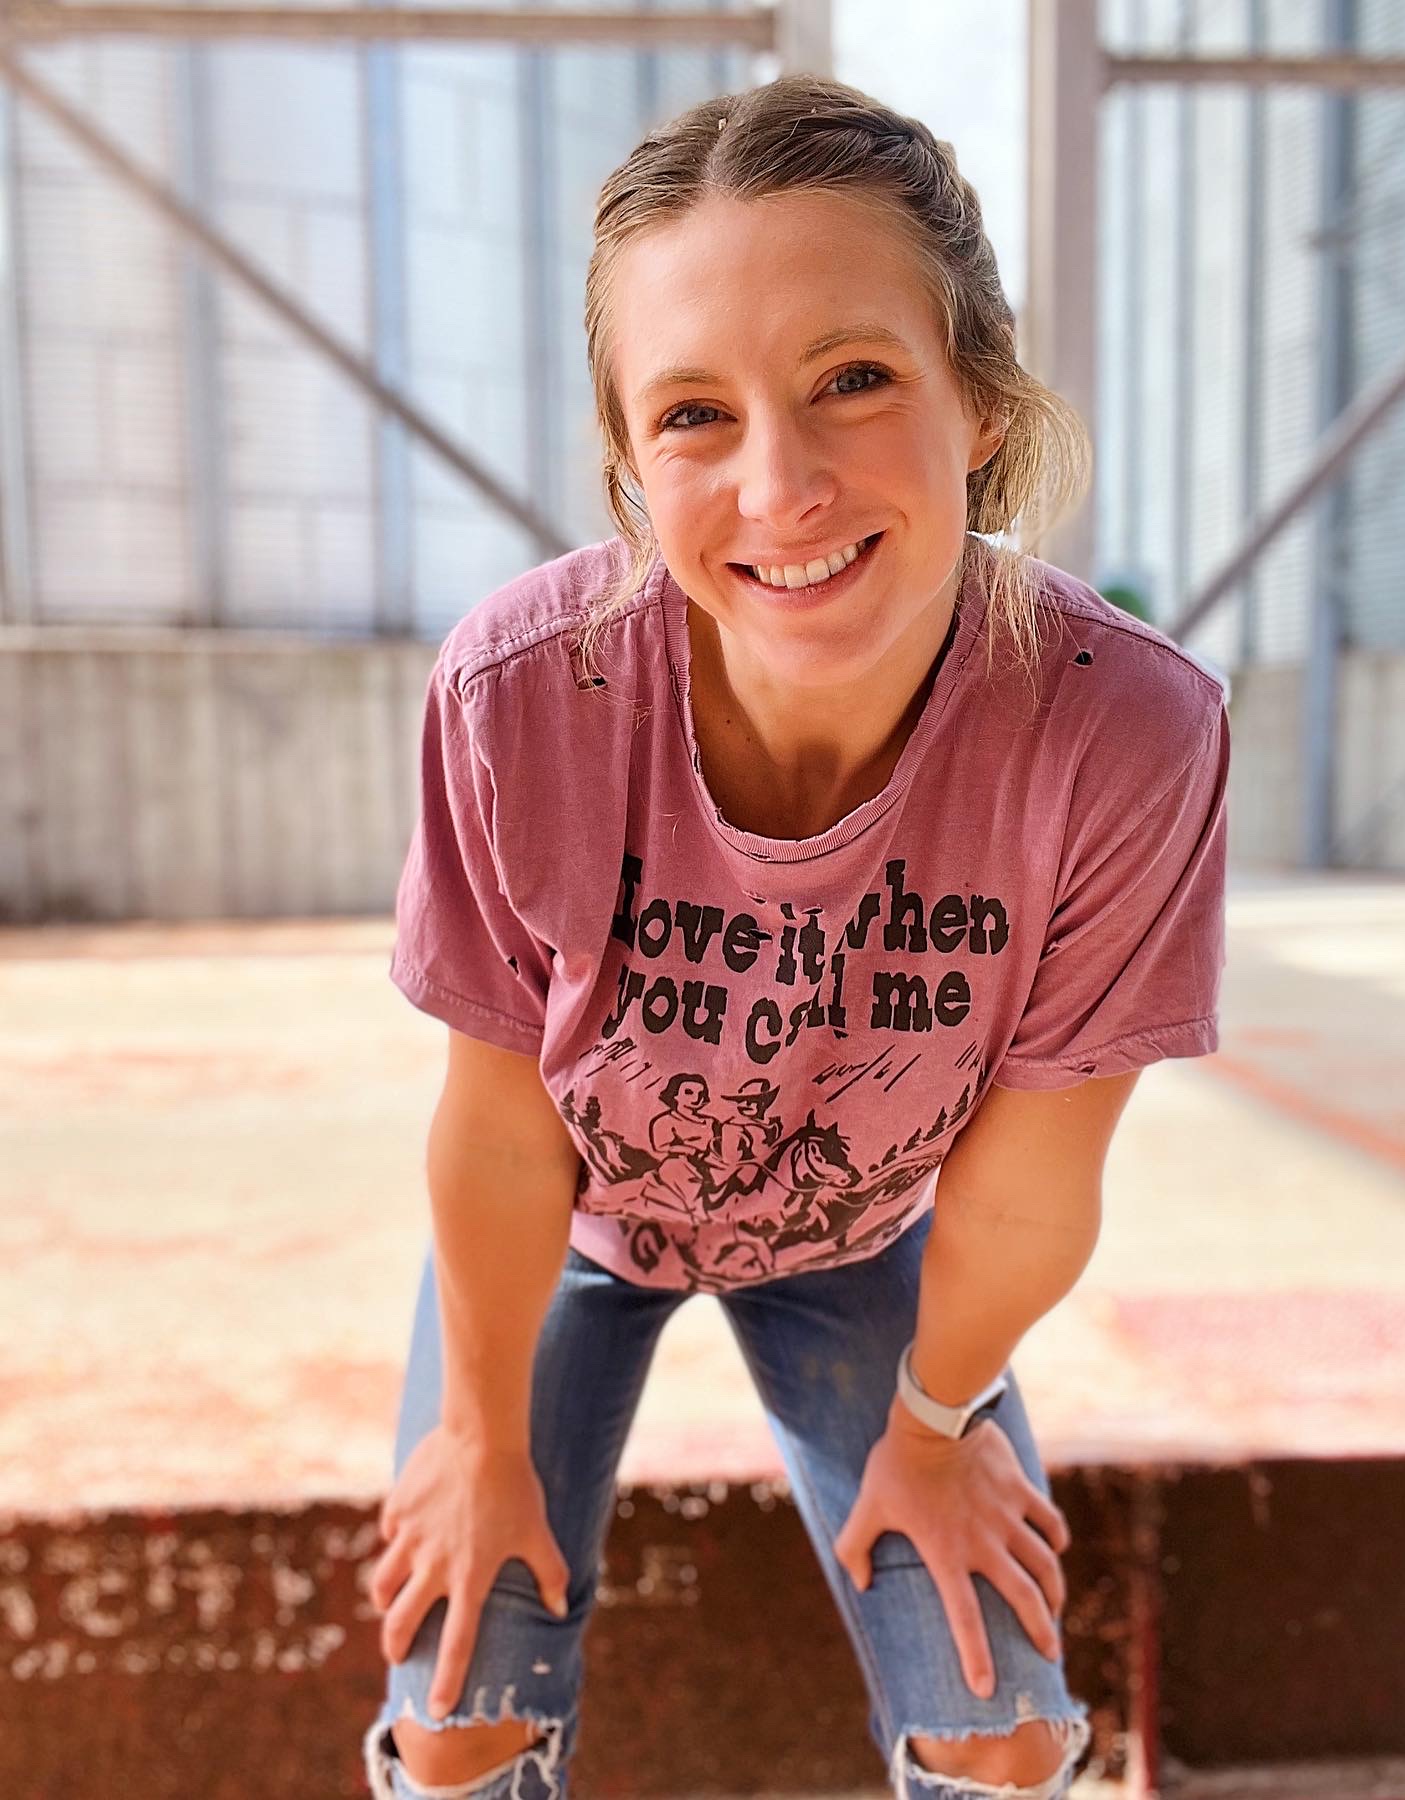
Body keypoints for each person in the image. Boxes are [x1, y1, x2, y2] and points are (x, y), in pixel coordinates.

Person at [361, 72, 1229, 1800]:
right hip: (582, 1220)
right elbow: (500, 1121)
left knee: (996, 1719)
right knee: (459, 1701)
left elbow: (1034, 1182)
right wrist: (475, 1436)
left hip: (870, 1233)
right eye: (694, 415)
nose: (781, 486)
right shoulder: (523, 694)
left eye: (851, 379)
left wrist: (933, 1427)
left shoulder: (1120, 731)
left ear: (975, 397)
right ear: (626, 464)